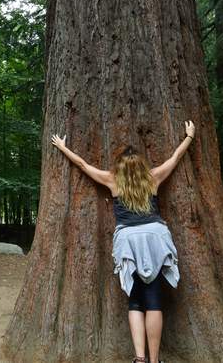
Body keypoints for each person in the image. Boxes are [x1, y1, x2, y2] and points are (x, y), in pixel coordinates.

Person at [49, 120, 196, 363]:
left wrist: (63, 147)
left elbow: (83, 164)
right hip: (154, 237)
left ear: (120, 166)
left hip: (128, 239)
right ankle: (155, 359)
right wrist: (189, 136)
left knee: (136, 300)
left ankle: (139, 359)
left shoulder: (112, 180)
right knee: (154, 298)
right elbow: (175, 157)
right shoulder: (152, 177)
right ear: (140, 166)